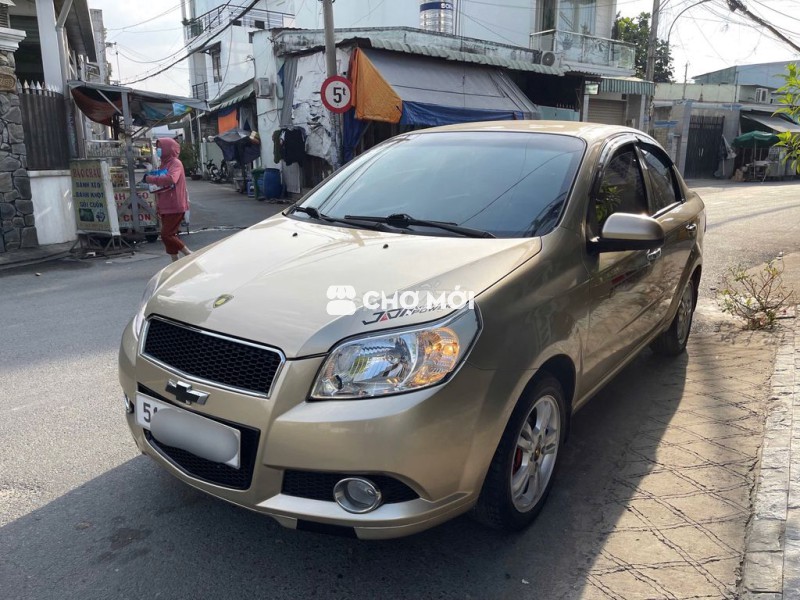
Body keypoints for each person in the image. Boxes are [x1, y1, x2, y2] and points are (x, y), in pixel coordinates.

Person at [144, 138, 192, 262]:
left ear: (168, 149)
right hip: (165, 205)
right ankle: (175, 260)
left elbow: (171, 179)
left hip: (175, 204)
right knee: (170, 234)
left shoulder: (176, 163)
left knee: (166, 234)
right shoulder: (163, 164)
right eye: (158, 148)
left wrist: (151, 179)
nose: (158, 150)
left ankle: (189, 254)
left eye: (160, 147)